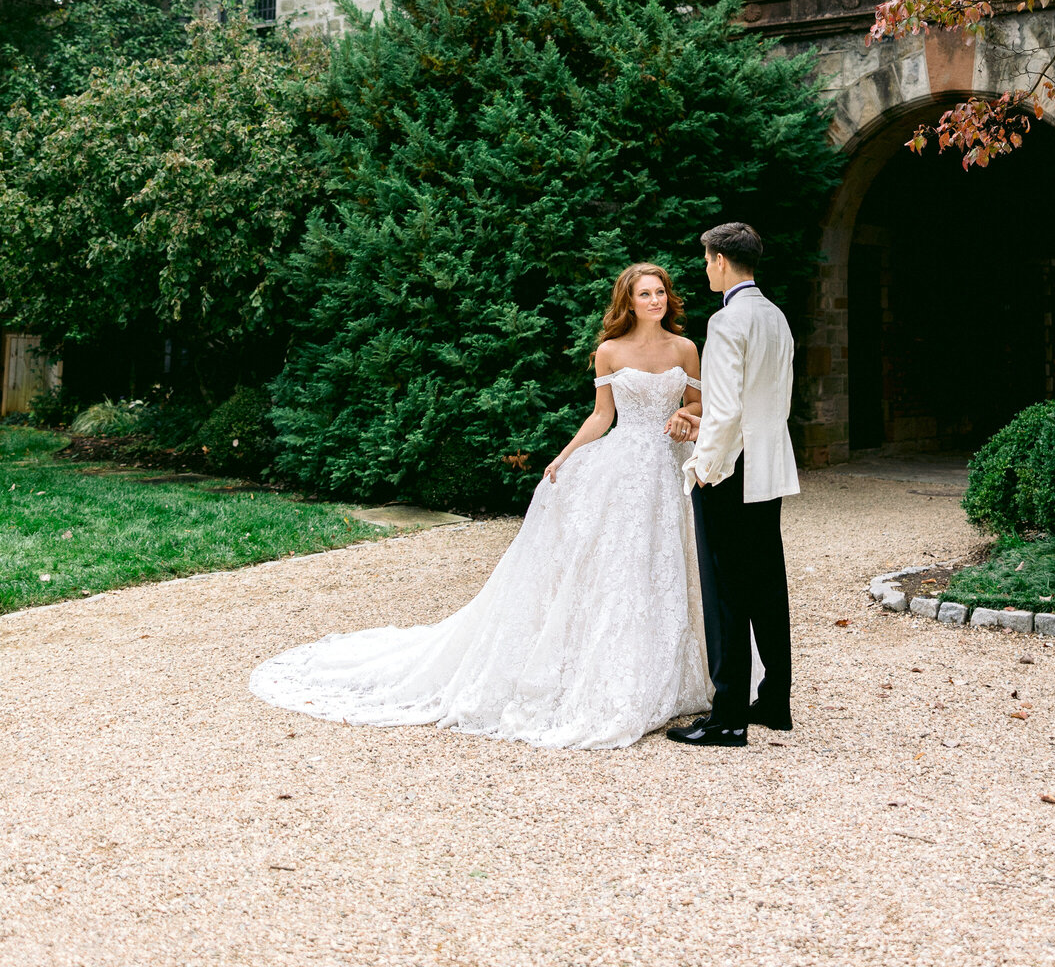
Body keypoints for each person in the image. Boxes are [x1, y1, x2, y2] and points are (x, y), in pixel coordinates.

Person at [249, 263, 712, 749]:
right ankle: (619, 673)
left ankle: (676, 670)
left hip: (670, 466)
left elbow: (699, 404)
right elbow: (602, 417)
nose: (655, 300)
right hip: (624, 469)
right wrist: (565, 456)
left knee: (670, 564)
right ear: (629, 301)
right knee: (620, 568)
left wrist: (686, 413)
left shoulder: (685, 348)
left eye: (660, 292)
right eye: (645, 294)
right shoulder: (610, 351)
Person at [667, 221, 798, 749]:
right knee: (767, 583)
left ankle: (727, 718)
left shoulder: (726, 323)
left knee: (725, 592)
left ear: (721, 260)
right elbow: (768, 402)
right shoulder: (775, 316)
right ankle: (775, 700)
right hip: (768, 466)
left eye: (706, 259)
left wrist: (704, 466)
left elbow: (722, 412)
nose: (705, 268)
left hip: (730, 470)